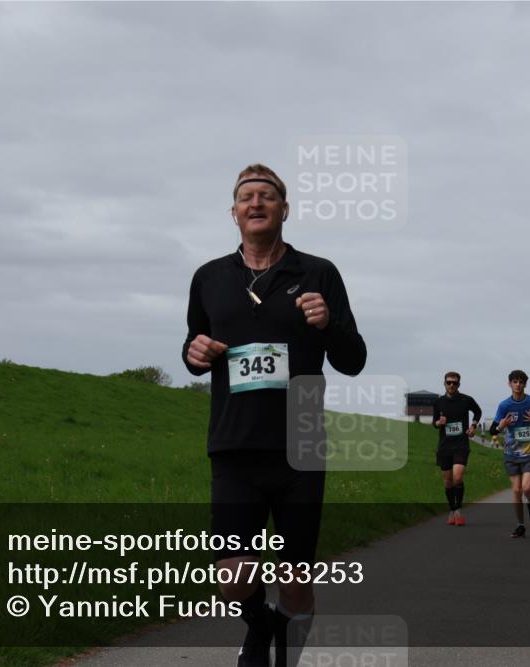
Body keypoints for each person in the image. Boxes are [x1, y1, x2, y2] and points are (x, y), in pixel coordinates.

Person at [183, 164, 367, 667]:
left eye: (267, 195)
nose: (256, 202)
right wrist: (193, 353)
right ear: (234, 212)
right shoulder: (208, 278)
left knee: (294, 579)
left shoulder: (319, 273)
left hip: (299, 443)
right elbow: (194, 345)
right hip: (235, 443)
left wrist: (328, 324)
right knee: (231, 579)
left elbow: (353, 359)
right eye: (246, 196)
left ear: (285, 209)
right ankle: (263, 626)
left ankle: (283, 648)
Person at [489, 370, 530, 538]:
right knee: (516, 491)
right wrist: (500, 427)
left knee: (526, 488)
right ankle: (520, 525)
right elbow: (492, 430)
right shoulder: (504, 406)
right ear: (509, 384)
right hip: (511, 454)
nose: (517, 385)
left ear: (525, 384)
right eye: (514, 381)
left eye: (521, 382)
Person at [432, 372, 483, 526]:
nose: (451, 385)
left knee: (458, 477)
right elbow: (434, 423)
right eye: (449, 382)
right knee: (448, 482)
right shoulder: (438, 402)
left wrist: (473, 426)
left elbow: (478, 411)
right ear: (444, 384)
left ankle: (459, 511)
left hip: (461, 444)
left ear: (459, 384)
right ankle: (451, 510)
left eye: (455, 383)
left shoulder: (466, 399)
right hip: (444, 446)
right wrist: (438, 423)